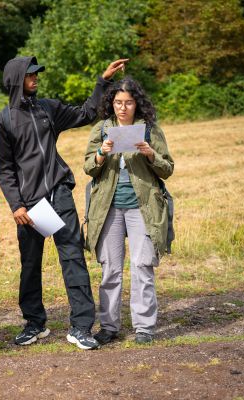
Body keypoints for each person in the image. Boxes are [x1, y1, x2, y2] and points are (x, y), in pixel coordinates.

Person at [0, 56, 126, 349]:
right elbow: (3, 168)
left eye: (37, 73)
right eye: (30, 74)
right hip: (29, 205)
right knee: (30, 264)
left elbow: (87, 113)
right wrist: (16, 205)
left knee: (73, 258)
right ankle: (34, 323)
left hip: (59, 193)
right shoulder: (4, 120)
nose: (36, 78)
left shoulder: (48, 108)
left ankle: (80, 327)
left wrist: (103, 82)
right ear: (17, 79)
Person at [83, 77, 174, 345]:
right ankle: (109, 326)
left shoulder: (150, 130)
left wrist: (150, 154)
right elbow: (88, 167)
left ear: (137, 104)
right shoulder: (102, 129)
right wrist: (101, 152)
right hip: (108, 208)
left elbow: (167, 169)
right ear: (111, 104)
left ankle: (144, 327)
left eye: (128, 103)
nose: (123, 108)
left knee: (142, 265)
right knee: (110, 268)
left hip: (142, 208)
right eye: (118, 102)